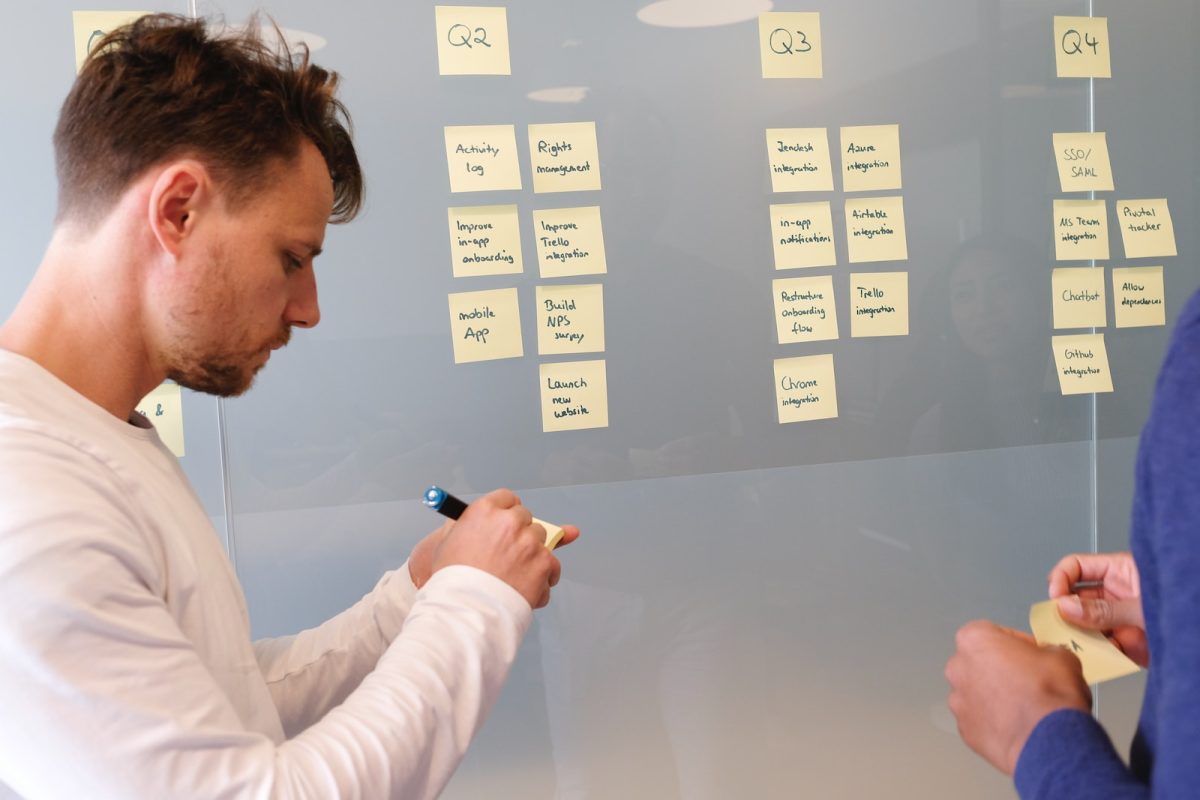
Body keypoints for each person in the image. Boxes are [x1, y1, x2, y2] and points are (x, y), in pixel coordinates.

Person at [0, 14, 577, 799]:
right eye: (290, 258)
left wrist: (418, 590)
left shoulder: (92, 440)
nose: (307, 310)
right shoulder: (32, 495)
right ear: (177, 211)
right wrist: (477, 599)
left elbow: (223, 713)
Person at [945, 285, 1200, 796]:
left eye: (997, 287)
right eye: (965, 292)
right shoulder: (942, 420)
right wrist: (1169, 597)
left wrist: (1036, 736)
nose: (985, 305)